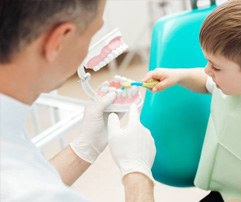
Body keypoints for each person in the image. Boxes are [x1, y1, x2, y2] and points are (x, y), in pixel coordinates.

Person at [143, 0, 241, 201]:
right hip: (229, 189)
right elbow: (205, 81)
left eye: (216, 67)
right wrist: (178, 76)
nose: (207, 71)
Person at [0, 0, 156, 201]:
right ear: (59, 41)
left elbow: (30, 174)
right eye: (92, 34)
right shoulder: (33, 192)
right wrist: (137, 174)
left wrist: (85, 148)